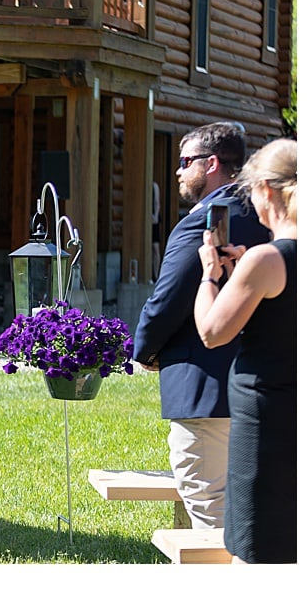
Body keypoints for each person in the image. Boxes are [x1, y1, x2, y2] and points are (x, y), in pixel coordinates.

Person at [133, 122, 270, 529]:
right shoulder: (265, 218)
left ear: (211, 164)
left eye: (184, 161)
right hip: (260, 388)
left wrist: (144, 350)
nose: (177, 171)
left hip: (203, 390)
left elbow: (167, 301)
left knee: (211, 516)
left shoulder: (200, 224)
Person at [193, 138, 296, 563]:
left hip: (267, 420)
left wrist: (211, 277)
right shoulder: (267, 261)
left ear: (266, 191)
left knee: (256, 550)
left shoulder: (267, 260)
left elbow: (213, 331)